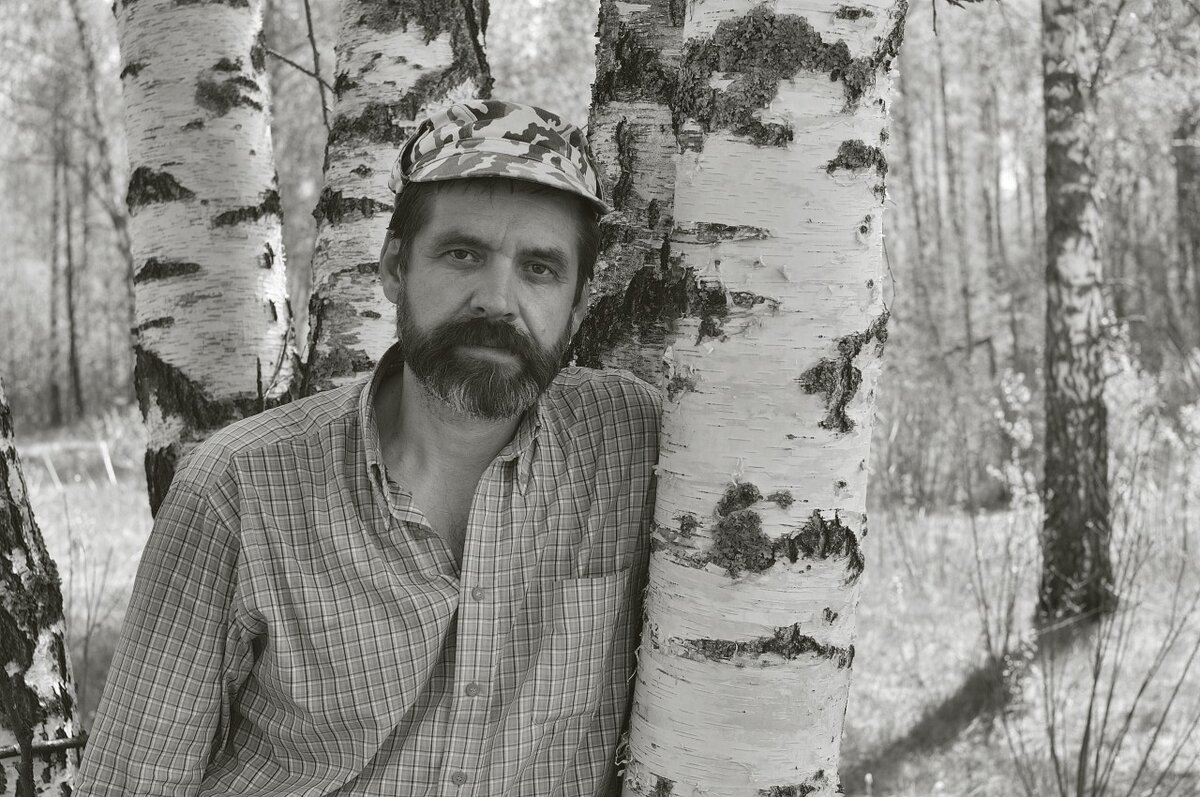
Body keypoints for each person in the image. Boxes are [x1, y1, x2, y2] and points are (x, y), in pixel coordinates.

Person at [75, 100, 662, 796]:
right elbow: (133, 779)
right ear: (393, 268)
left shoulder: (635, 447)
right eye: (463, 254)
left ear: (579, 305)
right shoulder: (241, 487)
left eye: (539, 269)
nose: (497, 299)